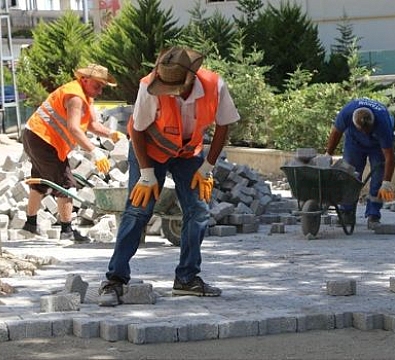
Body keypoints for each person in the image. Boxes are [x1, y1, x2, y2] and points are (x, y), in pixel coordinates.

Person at [98, 46, 240, 306]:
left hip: (187, 152)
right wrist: (147, 174)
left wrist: (207, 167)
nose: (169, 92)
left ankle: (187, 279)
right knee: (138, 211)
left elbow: (224, 125)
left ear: (191, 79)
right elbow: (138, 130)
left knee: (198, 211)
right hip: (149, 150)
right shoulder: (148, 86)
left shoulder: (215, 85)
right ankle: (115, 280)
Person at [22, 64, 123, 243]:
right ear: (84, 79)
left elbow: (92, 125)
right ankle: (67, 231)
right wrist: (95, 152)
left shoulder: (85, 96)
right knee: (66, 183)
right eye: (97, 85)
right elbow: (74, 128)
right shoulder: (75, 96)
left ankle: (29, 226)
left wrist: (110, 133)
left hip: (36, 136)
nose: (99, 91)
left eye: (102, 87)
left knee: (40, 181)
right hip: (43, 139)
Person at [325, 98, 395, 229]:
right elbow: (336, 133)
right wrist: (328, 154)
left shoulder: (383, 123)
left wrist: (386, 182)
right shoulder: (346, 113)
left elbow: (389, 157)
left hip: (376, 146)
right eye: (362, 130)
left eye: (367, 130)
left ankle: (373, 215)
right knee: (349, 176)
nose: (365, 133)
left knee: (378, 180)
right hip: (354, 143)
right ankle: (347, 213)